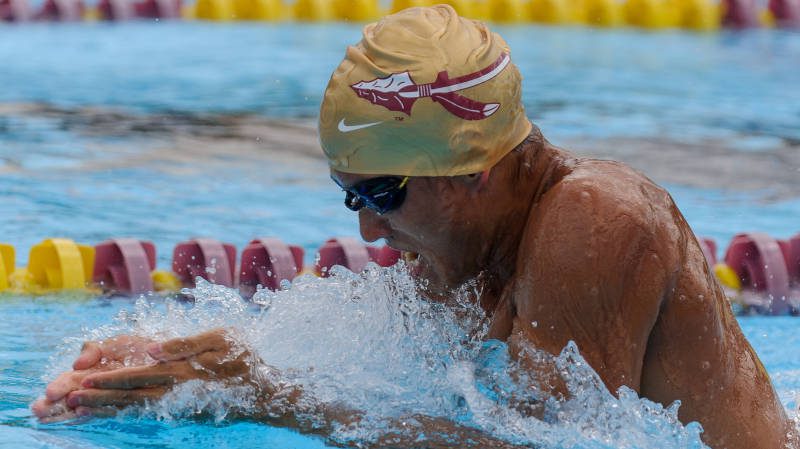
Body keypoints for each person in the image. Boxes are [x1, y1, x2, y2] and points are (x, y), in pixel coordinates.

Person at [32, 5, 795, 449]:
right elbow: (371, 372)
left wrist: (269, 395)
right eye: (351, 199)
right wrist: (186, 360)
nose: (370, 232)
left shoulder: (593, 221)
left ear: (474, 169)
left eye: (383, 193)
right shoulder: (468, 248)